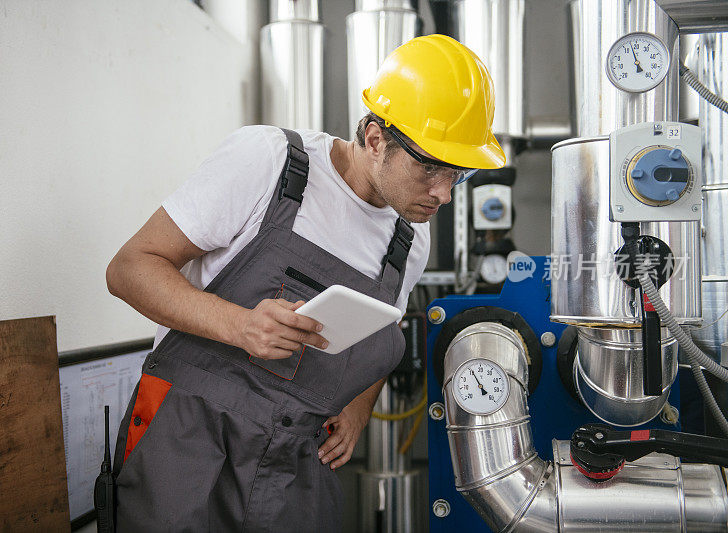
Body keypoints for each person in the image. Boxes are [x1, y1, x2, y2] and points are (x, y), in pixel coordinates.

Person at [105, 34, 505, 532]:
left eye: (459, 175)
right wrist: (239, 325)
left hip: (294, 462)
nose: (443, 194)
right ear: (376, 139)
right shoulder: (270, 163)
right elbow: (129, 268)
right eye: (429, 168)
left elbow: (374, 336)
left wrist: (359, 409)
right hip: (189, 438)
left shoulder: (408, 242)